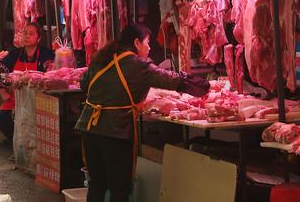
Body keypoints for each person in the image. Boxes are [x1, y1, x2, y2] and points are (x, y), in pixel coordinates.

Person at [75, 24, 209, 202]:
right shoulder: (137, 64)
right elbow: (169, 79)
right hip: (115, 131)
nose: (150, 47)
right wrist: (205, 87)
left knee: (97, 183)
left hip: (89, 128)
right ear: (137, 43)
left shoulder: (103, 57)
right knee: (120, 187)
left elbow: (83, 84)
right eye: (147, 42)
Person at [0, 23, 55, 141]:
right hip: (16, 99)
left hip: (38, 99)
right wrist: (2, 91)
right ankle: (17, 144)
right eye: (25, 33)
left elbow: (51, 75)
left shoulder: (46, 54)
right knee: (1, 119)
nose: (27, 36)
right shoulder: (16, 54)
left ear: (38, 38)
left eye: (31, 34)